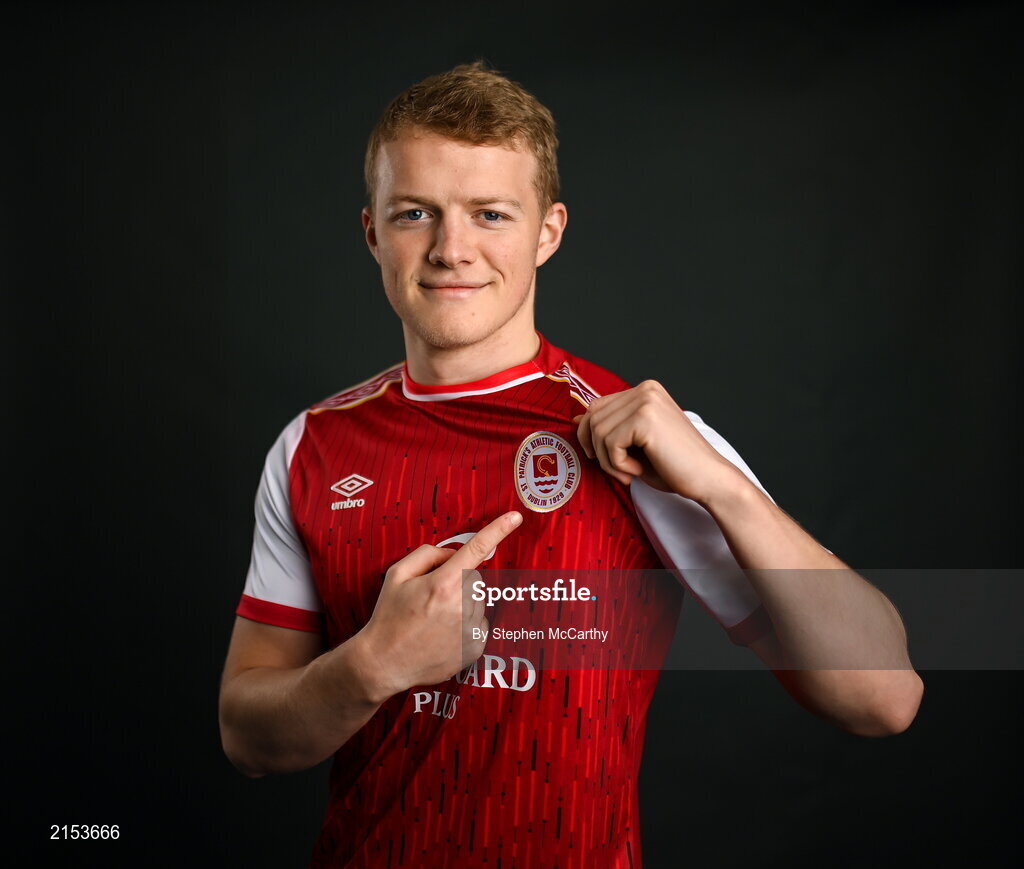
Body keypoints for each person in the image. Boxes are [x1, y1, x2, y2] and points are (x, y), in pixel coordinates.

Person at [219, 61, 923, 868]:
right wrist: (371, 664)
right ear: (373, 231)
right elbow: (247, 737)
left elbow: (884, 696)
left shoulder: (642, 439)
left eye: (490, 214)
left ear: (548, 232)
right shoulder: (313, 445)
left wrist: (726, 489)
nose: (452, 249)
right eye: (416, 213)